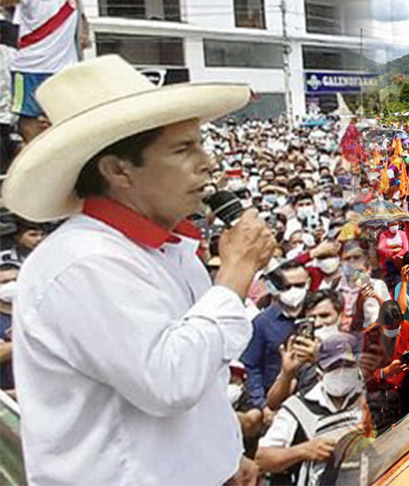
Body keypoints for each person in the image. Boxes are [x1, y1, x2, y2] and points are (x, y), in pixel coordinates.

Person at [2, 56, 270, 484]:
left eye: (200, 144)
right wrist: (234, 275)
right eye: (184, 149)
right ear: (118, 170)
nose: (208, 164)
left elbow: (201, 377)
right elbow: (170, 380)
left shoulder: (171, 252)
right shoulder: (82, 263)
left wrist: (222, 454)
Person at [256, 332, 370, 486]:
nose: (341, 372)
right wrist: (304, 450)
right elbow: (262, 458)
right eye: (334, 367)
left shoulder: (369, 403)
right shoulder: (297, 408)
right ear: (319, 374)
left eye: (348, 366)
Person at [8, 0, 88, 143]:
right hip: (30, 67)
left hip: (64, 69)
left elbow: (81, 15)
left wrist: (84, 32)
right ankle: (36, 160)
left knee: (64, 120)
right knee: (28, 120)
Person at [241, 260, 310, 410]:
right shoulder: (262, 322)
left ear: (308, 283)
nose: (293, 291)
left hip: (312, 399)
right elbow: (252, 366)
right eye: (286, 287)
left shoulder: (318, 313)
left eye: (299, 285)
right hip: (275, 401)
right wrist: (262, 404)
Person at [365, 301, 409, 435]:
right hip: (383, 400)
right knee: (387, 436)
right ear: (380, 323)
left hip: (405, 392)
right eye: (389, 328)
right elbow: (364, 378)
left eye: (396, 327)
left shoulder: (405, 327)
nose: (394, 331)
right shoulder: (368, 338)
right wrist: (385, 372)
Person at [0, 262, 19, 393]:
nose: (12, 285)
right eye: (5, 282)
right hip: (7, 396)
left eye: (16, 280)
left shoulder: (38, 313)